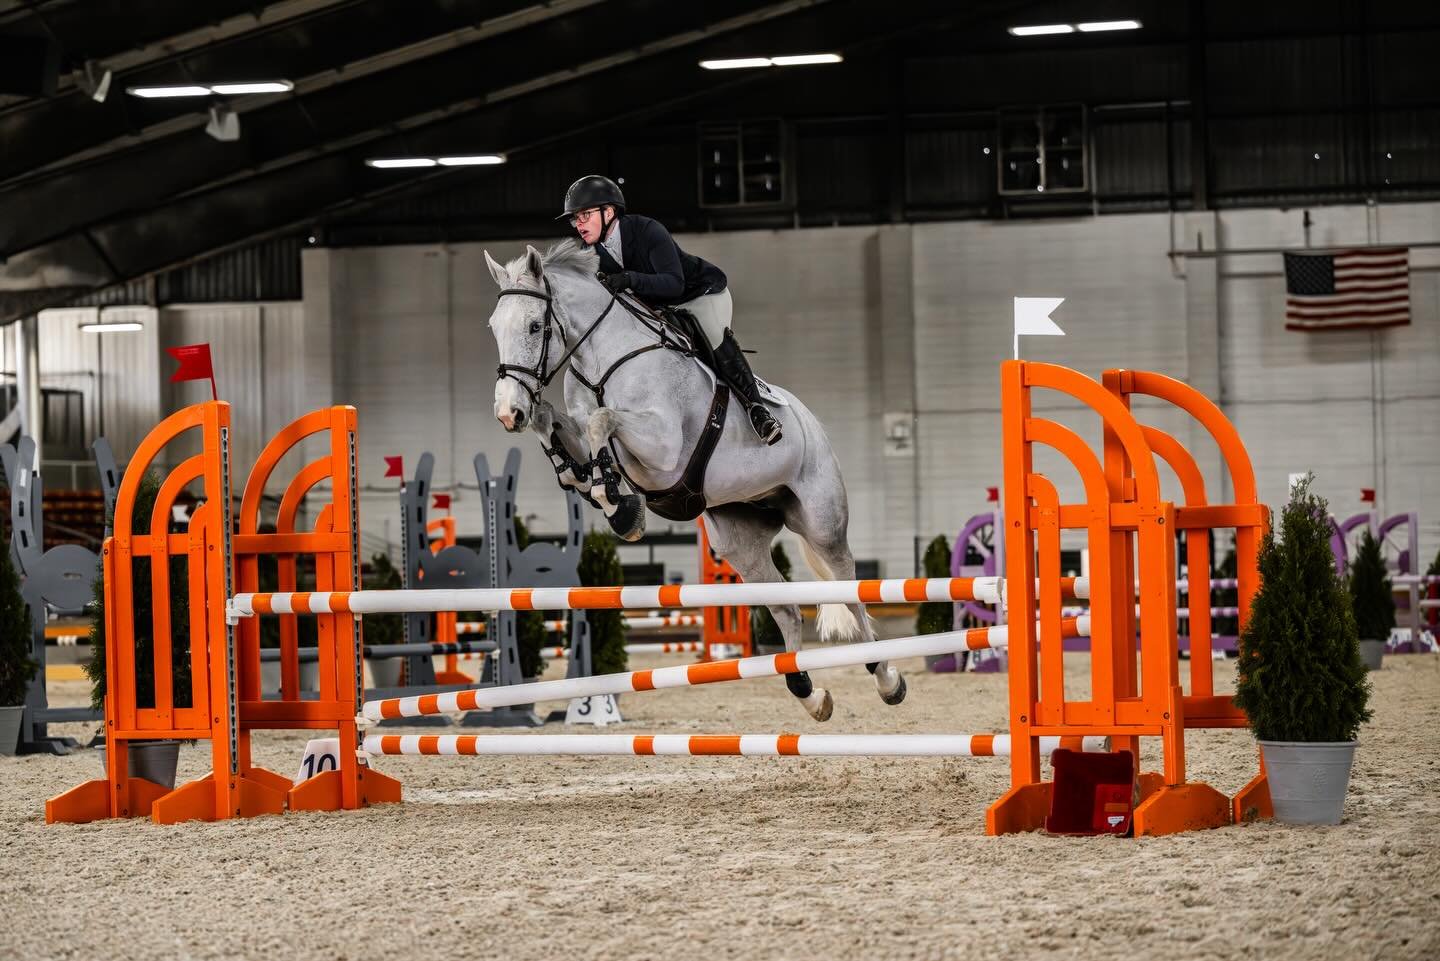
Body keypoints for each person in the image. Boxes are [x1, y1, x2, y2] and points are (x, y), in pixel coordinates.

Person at [557, 174, 782, 445]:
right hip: (659, 307)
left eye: (584, 215)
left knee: (710, 335)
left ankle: (757, 410)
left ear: (609, 211)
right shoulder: (590, 254)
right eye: (575, 219)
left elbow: (674, 284)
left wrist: (629, 279)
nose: (578, 224)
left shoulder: (647, 230)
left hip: (698, 294)